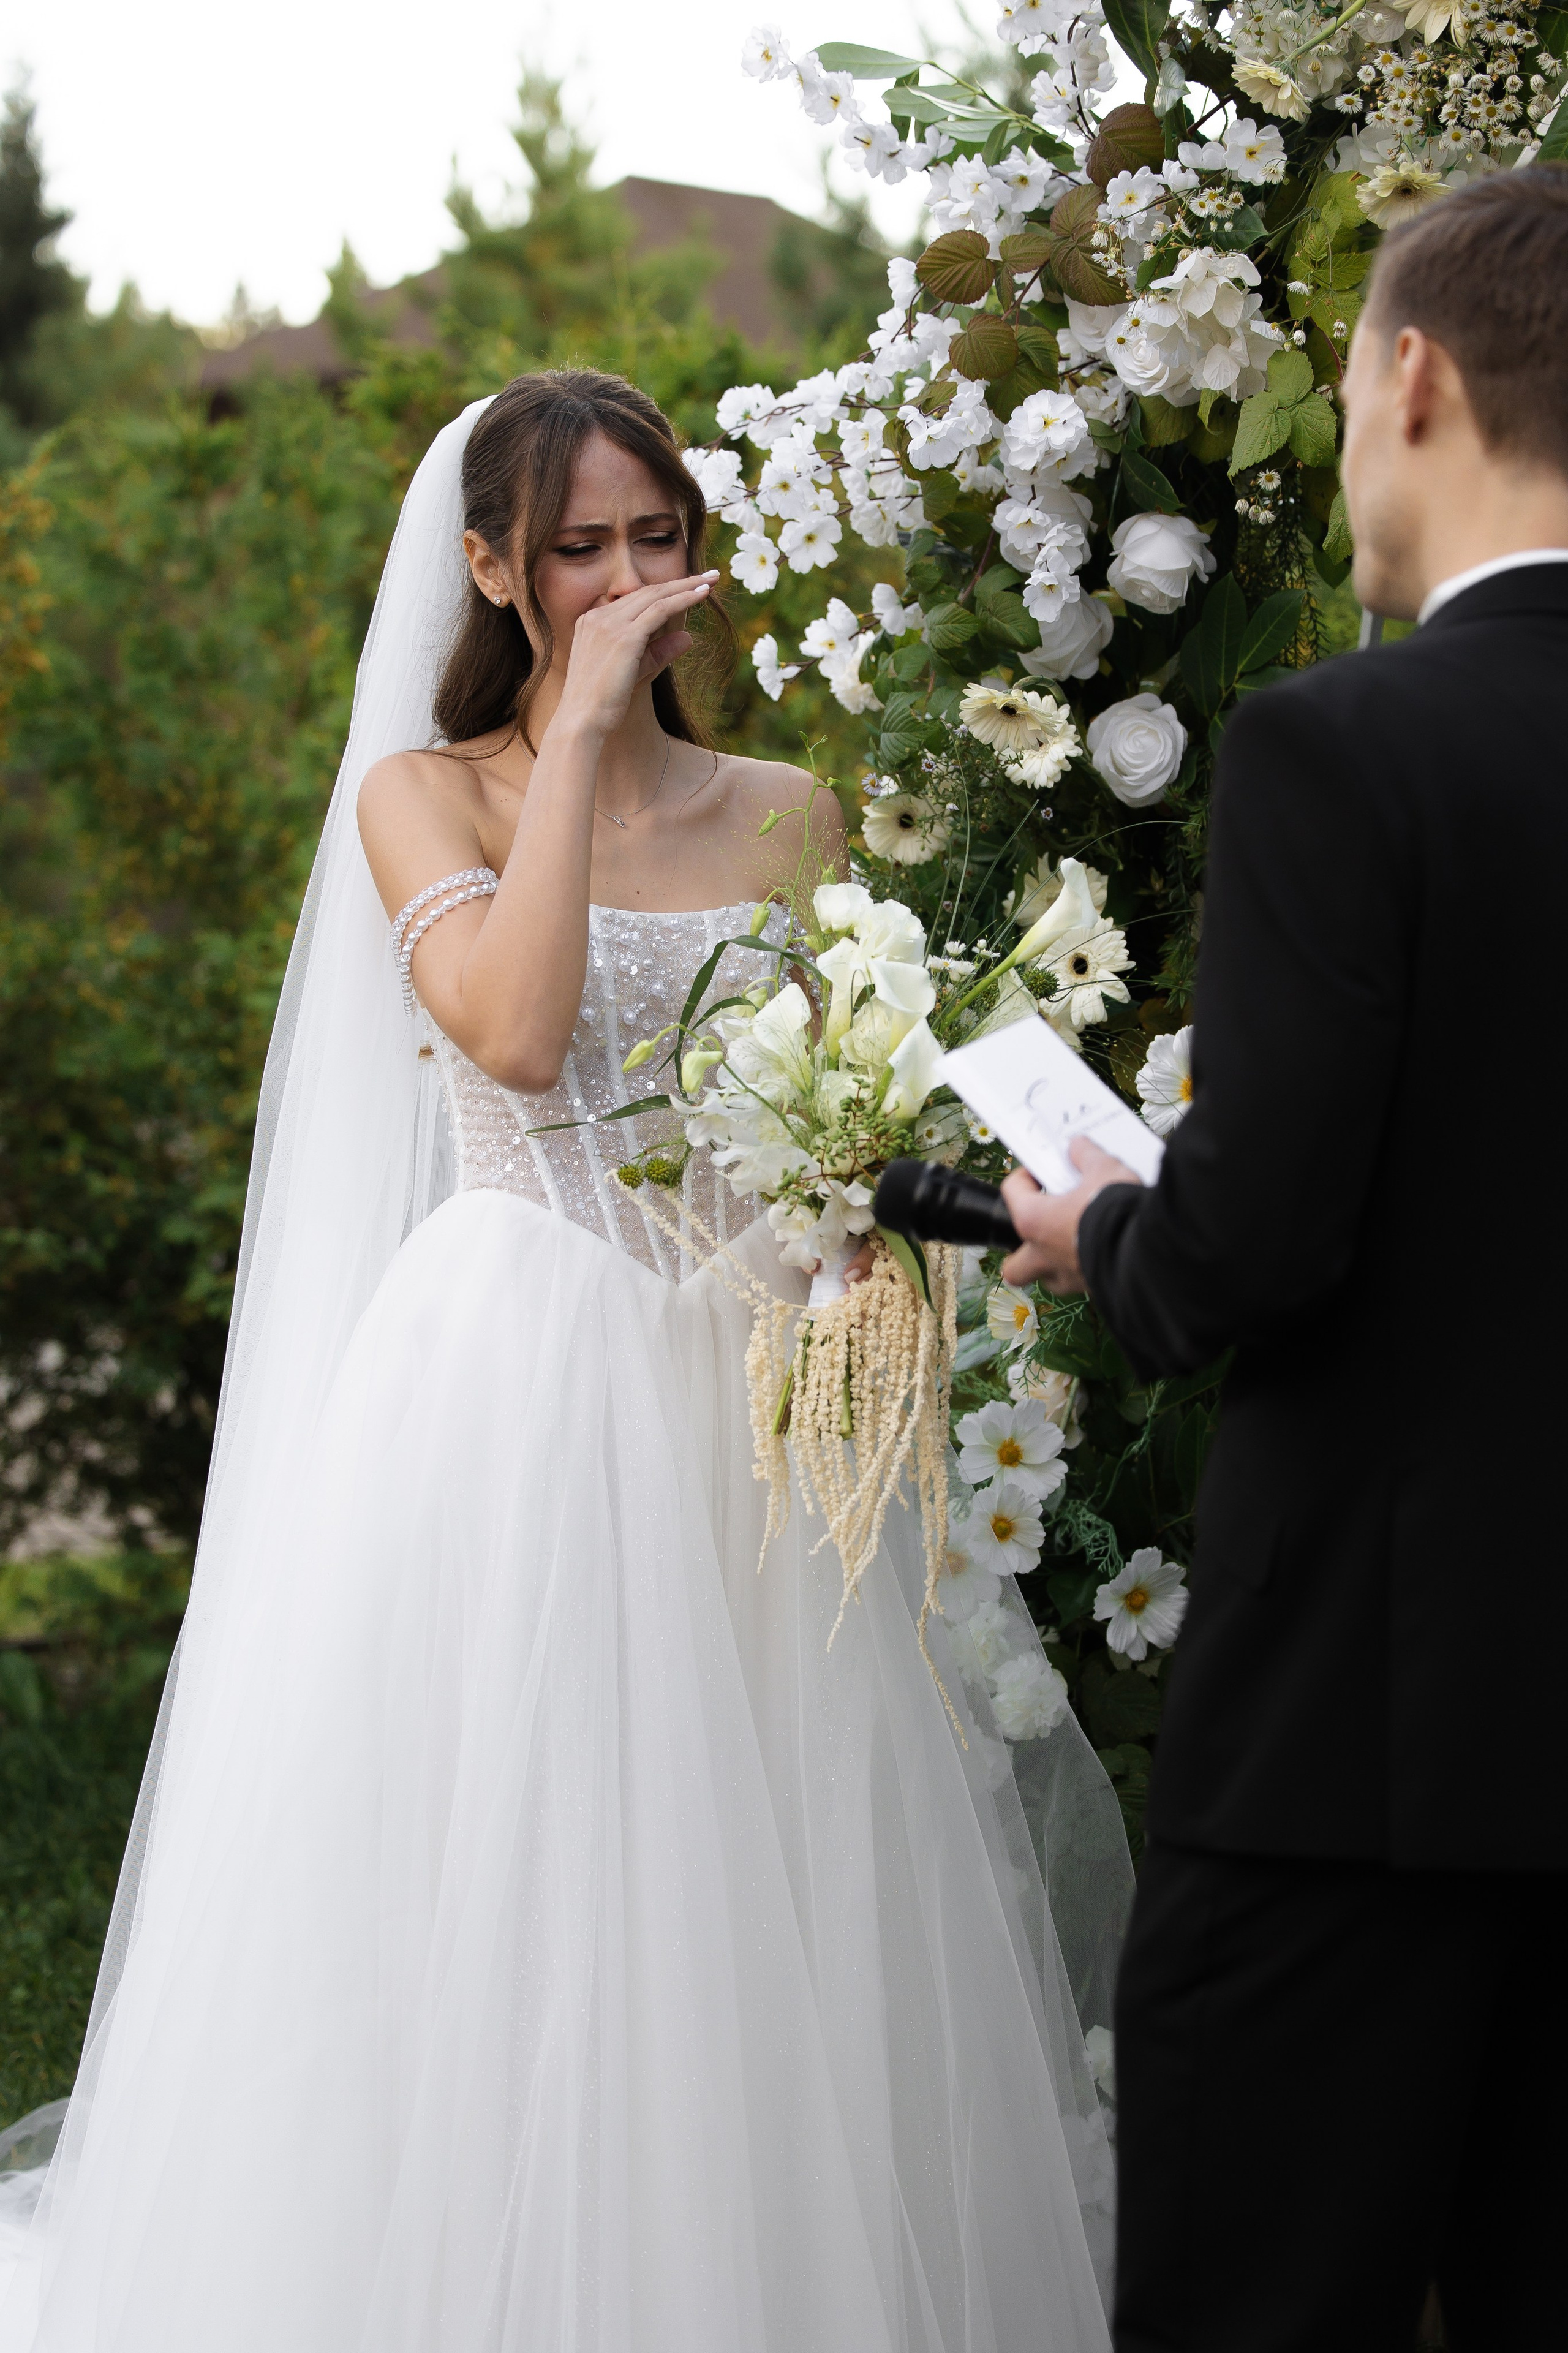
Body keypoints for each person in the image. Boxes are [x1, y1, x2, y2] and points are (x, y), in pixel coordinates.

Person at [0, 370, 1134, 2351]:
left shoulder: (787, 811)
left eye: (656, 537)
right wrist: (583, 733)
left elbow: (835, 1122)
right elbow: (518, 1035)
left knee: (761, 1880)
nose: (627, 581)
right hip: (524, 1387)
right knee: (522, 1871)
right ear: (494, 569)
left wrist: (917, 1234)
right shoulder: (424, 798)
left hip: (746, 1390)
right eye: (581, 547)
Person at [998, 168, 1568, 2351]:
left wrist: (1108, 1228)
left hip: (1366, 1749)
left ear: (1412, 380)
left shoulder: (1347, 742)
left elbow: (1255, 1243)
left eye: (1335, 401)